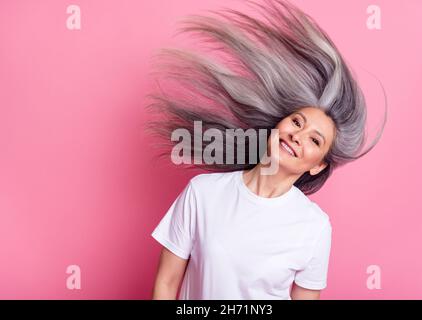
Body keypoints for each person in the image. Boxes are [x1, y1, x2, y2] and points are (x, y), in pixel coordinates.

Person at [145, 0, 387, 300]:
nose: (298, 136)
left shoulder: (314, 227)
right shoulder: (203, 192)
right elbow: (166, 284)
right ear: (278, 125)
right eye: (297, 122)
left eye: (315, 140)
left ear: (318, 166)